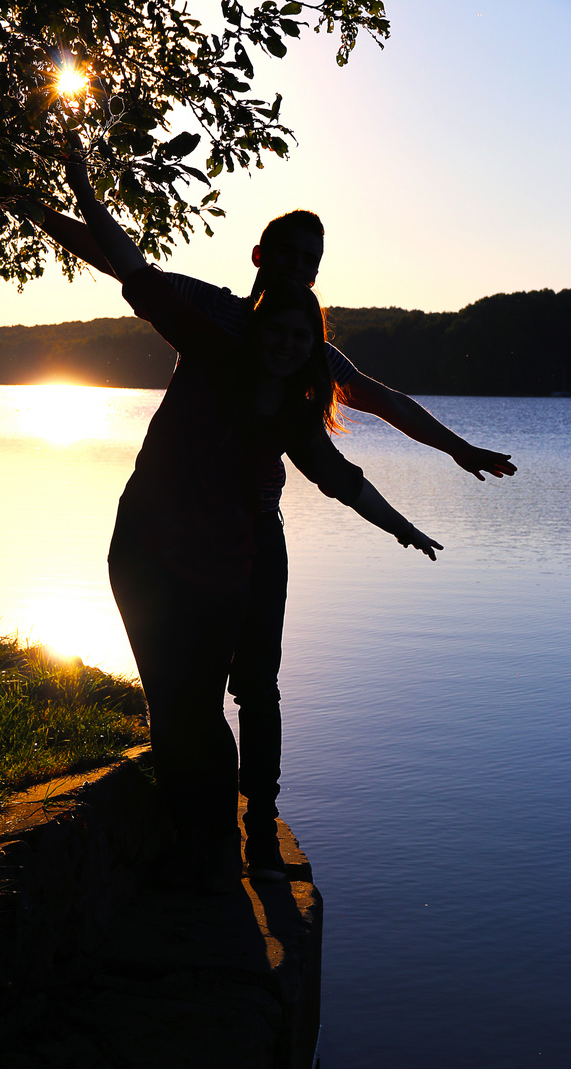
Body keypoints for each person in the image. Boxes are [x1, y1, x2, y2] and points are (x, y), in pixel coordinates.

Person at [61, 153, 443, 892]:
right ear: (263, 263)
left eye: (313, 263)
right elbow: (128, 264)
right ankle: (198, 837)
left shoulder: (299, 403)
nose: (292, 340)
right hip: (153, 540)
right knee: (174, 701)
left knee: (232, 695)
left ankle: (243, 833)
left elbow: (344, 474)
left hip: (237, 547)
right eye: (289, 257)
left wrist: (410, 515)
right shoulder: (208, 330)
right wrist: (67, 199)